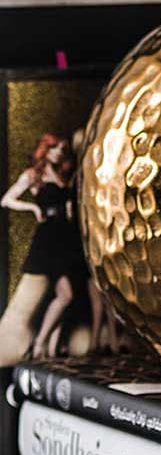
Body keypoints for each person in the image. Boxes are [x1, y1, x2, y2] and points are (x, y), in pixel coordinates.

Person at [0, 133, 88, 361]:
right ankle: (38, 344)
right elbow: (6, 200)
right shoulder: (33, 175)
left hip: (64, 235)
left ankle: (45, 345)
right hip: (47, 237)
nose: (58, 152)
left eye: (61, 149)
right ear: (45, 150)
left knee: (65, 295)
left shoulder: (60, 174)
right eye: (53, 148)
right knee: (62, 295)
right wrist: (33, 208)